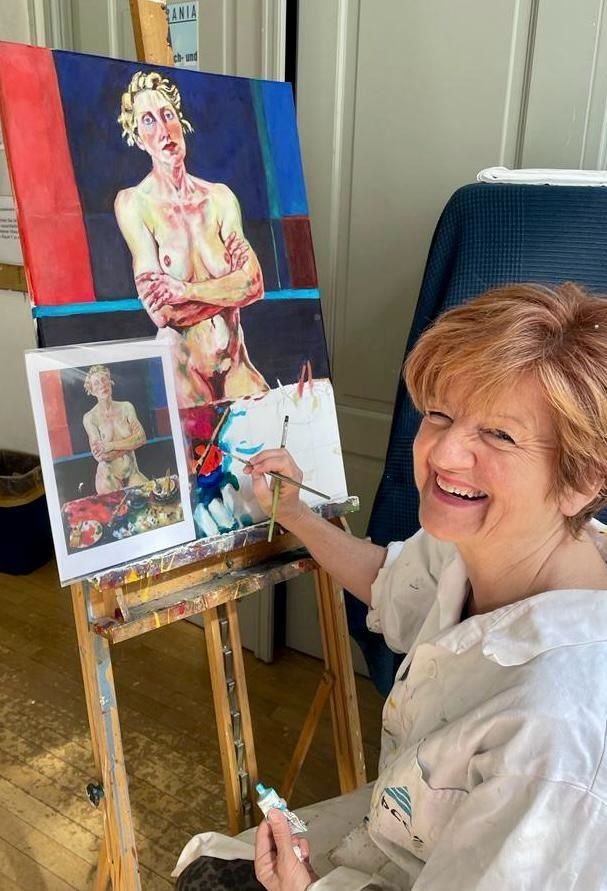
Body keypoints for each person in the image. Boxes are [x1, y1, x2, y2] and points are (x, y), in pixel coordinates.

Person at [173, 282, 607, 890]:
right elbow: (391, 583)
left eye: (500, 435)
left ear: (582, 479)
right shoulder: (496, 543)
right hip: (387, 839)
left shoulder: (561, 738)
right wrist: (294, 513)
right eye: (440, 414)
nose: (444, 455)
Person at [114, 70, 268, 408]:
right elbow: (164, 313)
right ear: (138, 138)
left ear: (180, 122)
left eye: (167, 115)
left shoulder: (220, 198)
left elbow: (256, 284)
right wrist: (232, 289)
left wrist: (185, 291)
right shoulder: (134, 204)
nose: (163, 129)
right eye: (148, 121)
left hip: (236, 365)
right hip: (186, 374)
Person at [82, 365, 148, 495]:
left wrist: (110, 446)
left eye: (104, 379)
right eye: (96, 383)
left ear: (110, 381)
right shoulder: (90, 418)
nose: (102, 385)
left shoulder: (126, 407)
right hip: (108, 477)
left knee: (149, 497)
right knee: (114, 505)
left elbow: (142, 438)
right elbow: (100, 455)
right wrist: (131, 443)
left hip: (132, 473)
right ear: (92, 391)